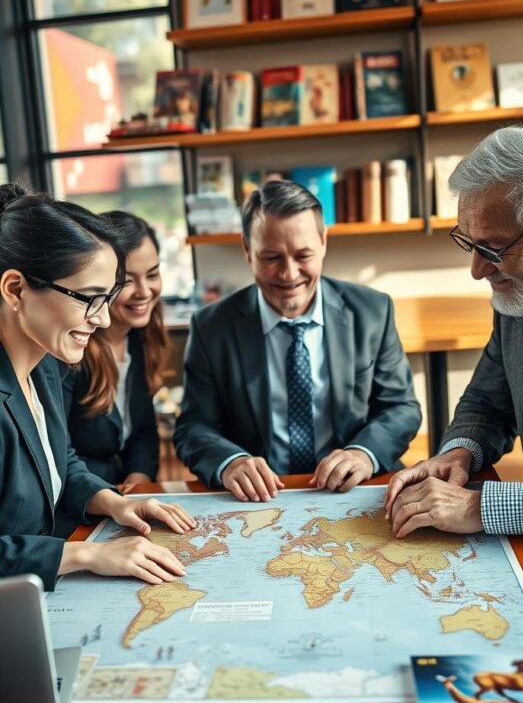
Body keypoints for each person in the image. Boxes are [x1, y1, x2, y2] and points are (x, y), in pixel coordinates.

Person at [384, 125, 523, 646]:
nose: (475, 271)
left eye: (492, 249)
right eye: (468, 244)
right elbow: (487, 402)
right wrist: (460, 453)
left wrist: (480, 507)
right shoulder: (522, 291)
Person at [0, 184, 195, 592]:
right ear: (15, 289)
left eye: (107, 298)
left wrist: (115, 502)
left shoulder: (45, 365)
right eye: (89, 298)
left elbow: (60, 462)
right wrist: (87, 554)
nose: (104, 319)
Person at [175, 179, 421, 501]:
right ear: (247, 252)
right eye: (272, 258)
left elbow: (401, 408)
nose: (289, 275)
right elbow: (194, 427)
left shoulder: (372, 311)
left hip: (353, 490)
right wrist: (231, 463)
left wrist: (363, 453)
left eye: (303, 255)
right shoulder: (211, 328)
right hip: (260, 498)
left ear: (323, 243)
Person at [60, 211, 170, 489]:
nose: (145, 291)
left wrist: (139, 478)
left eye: (153, 274)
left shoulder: (141, 338)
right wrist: (107, 496)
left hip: (125, 497)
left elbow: (144, 430)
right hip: (81, 504)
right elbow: (59, 453)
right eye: (128, 281)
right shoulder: (69, 351)